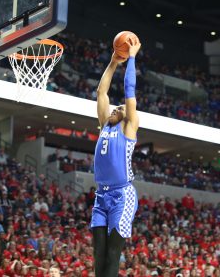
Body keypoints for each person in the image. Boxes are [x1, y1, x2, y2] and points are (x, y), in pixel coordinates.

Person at [91, 37, 141, 277]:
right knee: (98, 253)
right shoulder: (104, 125)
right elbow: (102, 92)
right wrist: (112, 62)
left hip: (122, 194)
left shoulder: (128, 128)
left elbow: (129, 90)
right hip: (101, 194)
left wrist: (131, 58)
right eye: (114, 108)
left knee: (112, 254)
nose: (114, 109)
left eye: (119, 109)